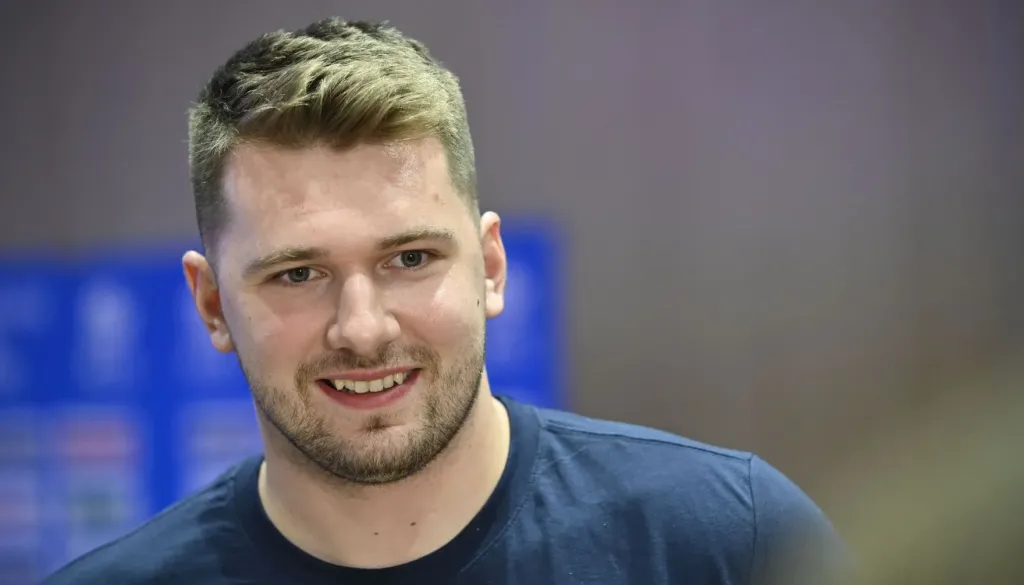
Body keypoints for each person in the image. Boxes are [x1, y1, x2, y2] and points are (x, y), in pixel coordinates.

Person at [42, 17, 841, 585]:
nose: (362, 328)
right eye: (298, 274)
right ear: (212, 304)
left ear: (490, 266)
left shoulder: (733, 545)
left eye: (410, 258)